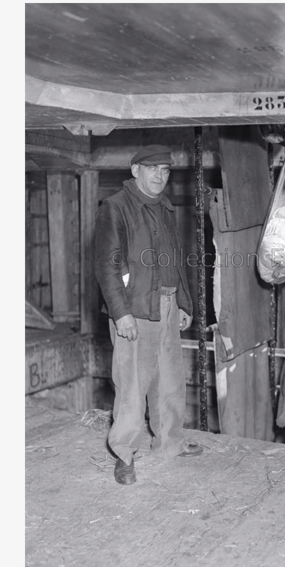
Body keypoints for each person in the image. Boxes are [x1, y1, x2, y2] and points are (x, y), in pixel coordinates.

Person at [94, 144, 203, 486]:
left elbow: (175, 260)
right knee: (132, 384)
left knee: (170, 379)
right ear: (135, 170)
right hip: (135, 310)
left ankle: (169, 443)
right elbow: (107, 266)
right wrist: (120, 313)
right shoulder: (115, 208)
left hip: (167, 306)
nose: (160, 175)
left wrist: (184, 303)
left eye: (165, 170)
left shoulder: (165, 208)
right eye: (152, 168)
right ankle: (124, 454)